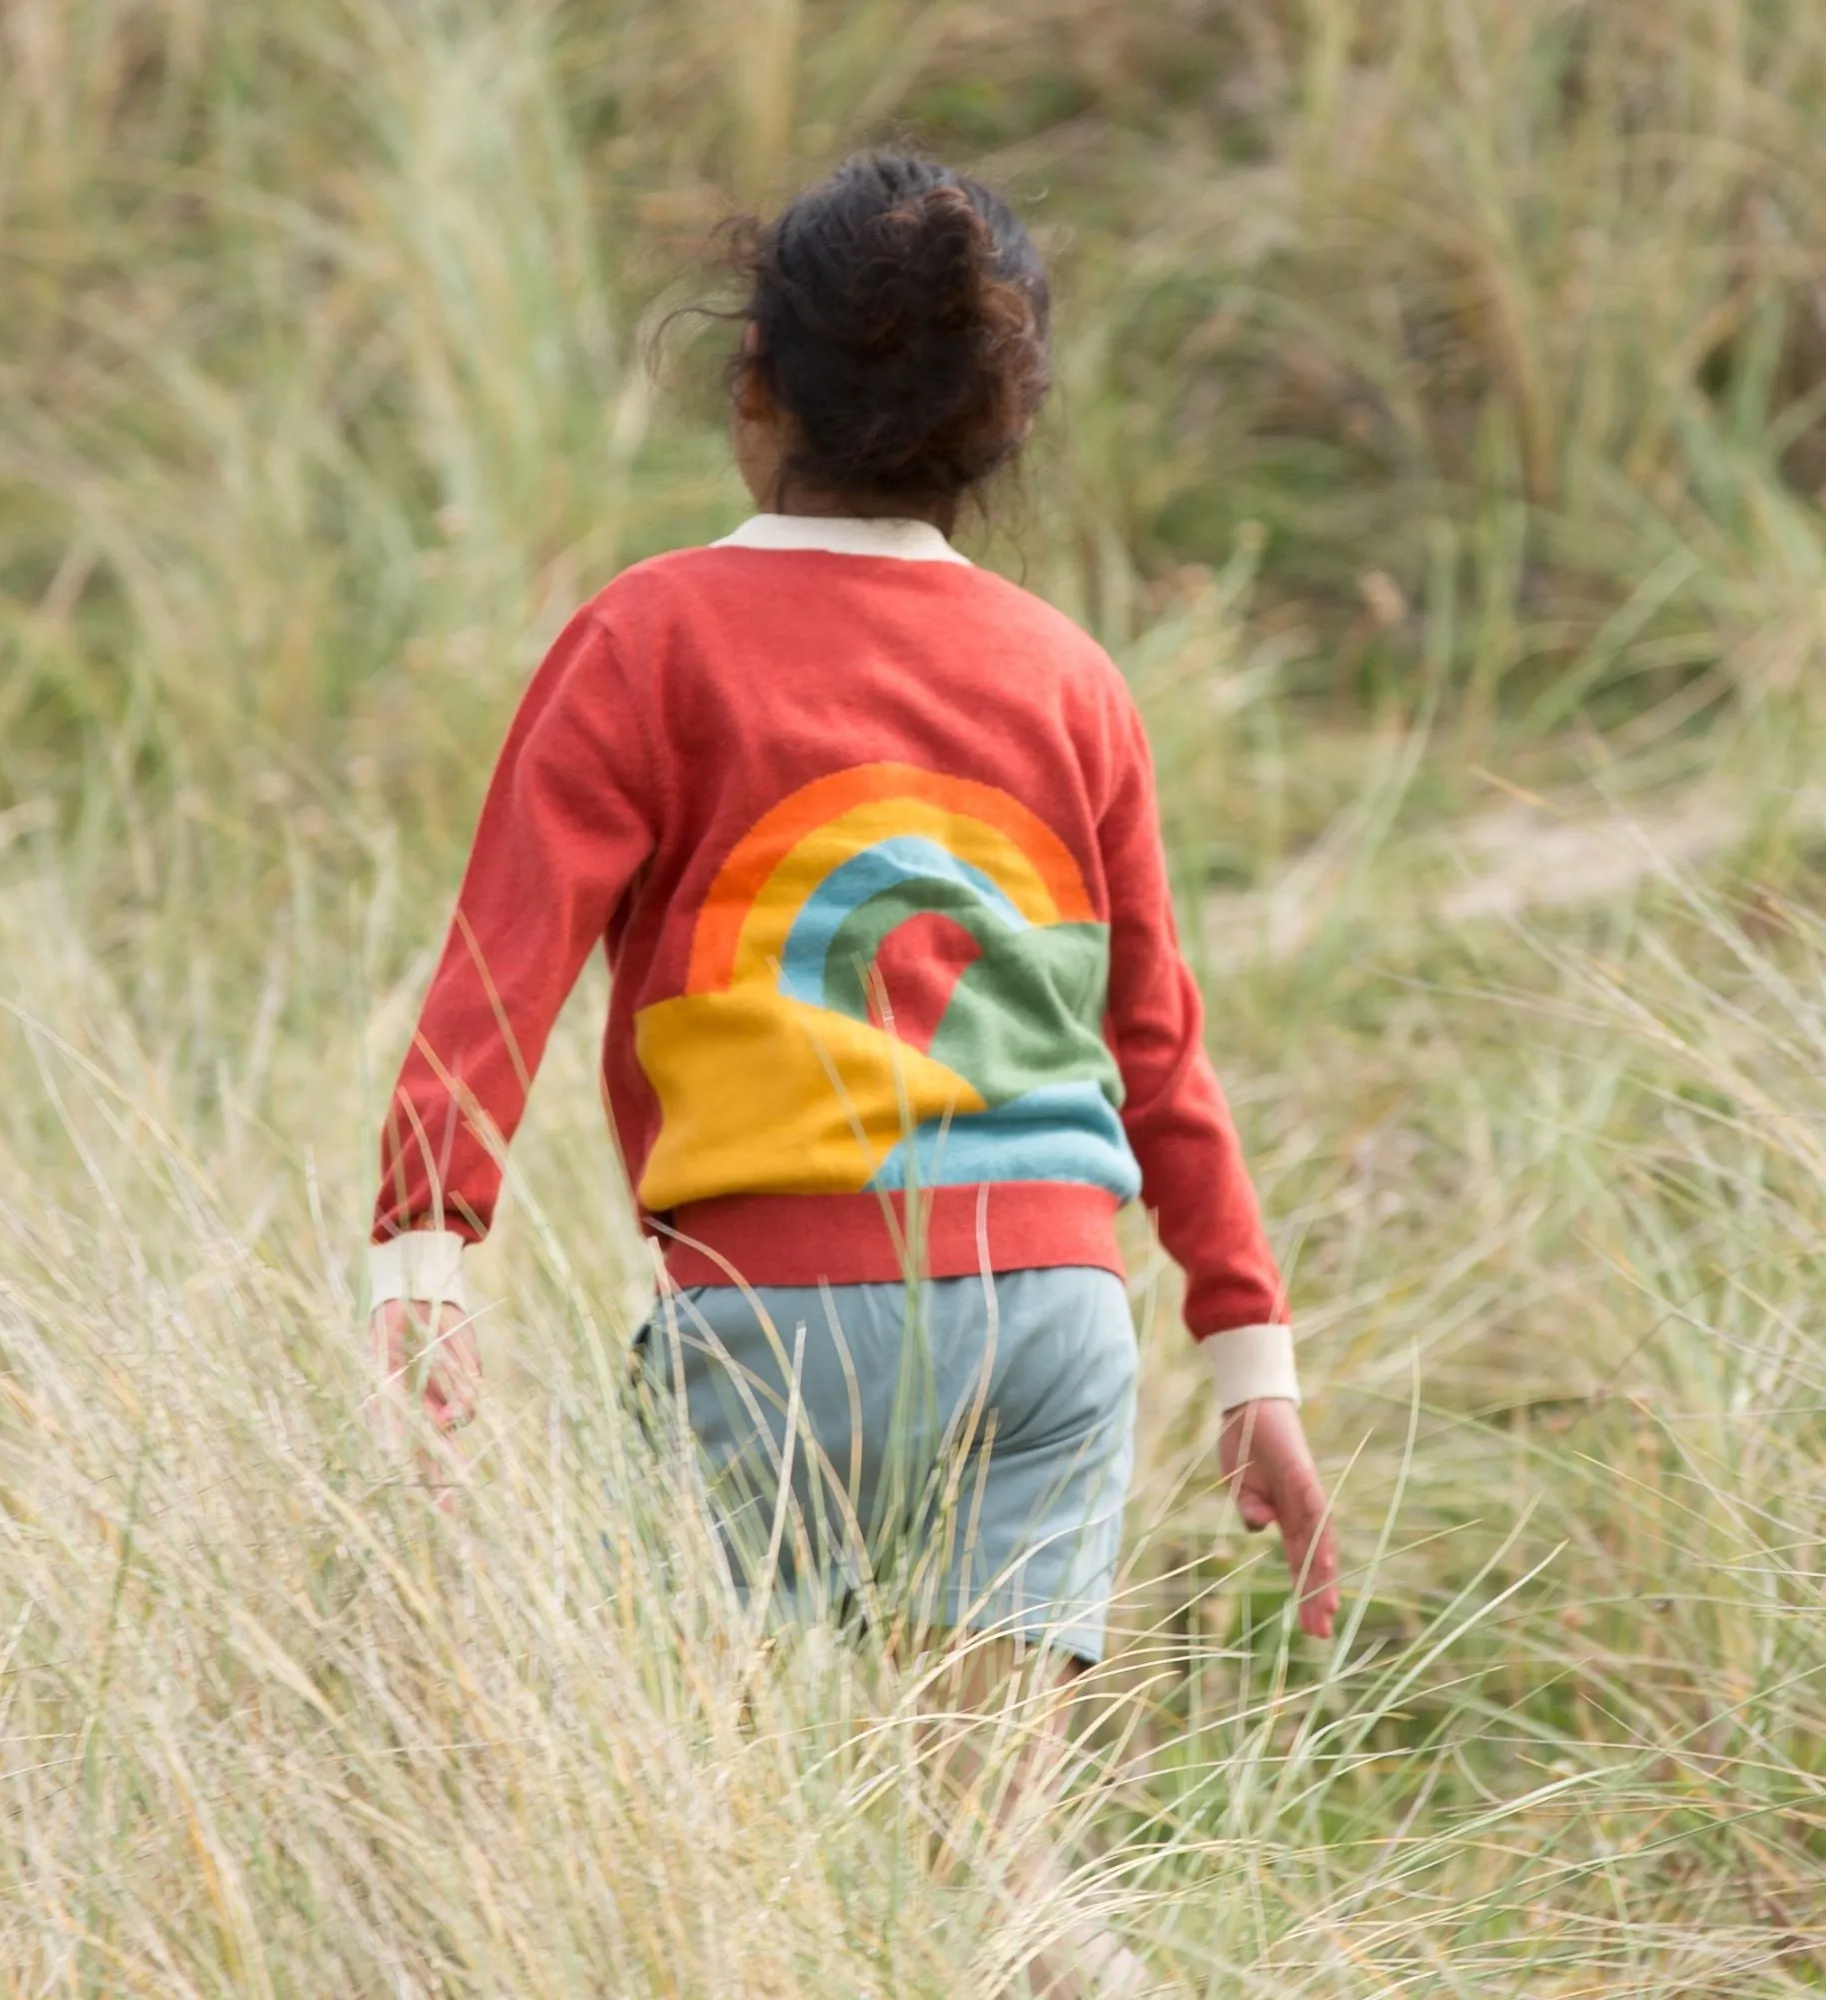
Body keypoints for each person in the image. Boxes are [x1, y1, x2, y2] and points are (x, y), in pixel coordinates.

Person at [366, 151, 1340, 1995]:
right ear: (1001, 426)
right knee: (1008, 1884)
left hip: (780, 1320)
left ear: (754, 386)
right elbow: (1159, 1049)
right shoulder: (1069, 677)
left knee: (661, 1834)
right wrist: (1250, 1361)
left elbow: (504, 962)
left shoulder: (647, 638)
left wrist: (426, 1249)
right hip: (1055, 1314)